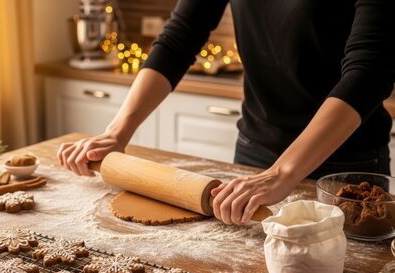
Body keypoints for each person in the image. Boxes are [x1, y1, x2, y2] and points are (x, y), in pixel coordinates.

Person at [58, 0, 395, 226]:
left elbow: (368, 73)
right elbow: (179, 38)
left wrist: (282, 173)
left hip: (345, 171)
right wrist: (117, 132)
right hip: (254, 151)